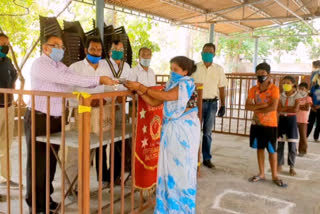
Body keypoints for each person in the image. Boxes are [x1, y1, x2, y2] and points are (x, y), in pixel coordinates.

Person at [24, 34, 116, 213]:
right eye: (56, 45)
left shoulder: (60, 65)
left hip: (56, 119)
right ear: (46, 48)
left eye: (61, 46)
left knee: (50, 162)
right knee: (37, 163)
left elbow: (73, 76)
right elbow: (69, 80)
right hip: (39, 117)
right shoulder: (40, 64)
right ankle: (35, 205)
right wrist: (99, 80)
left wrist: (99, 85)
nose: (60, 49)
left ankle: (46, 199)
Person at [125, 56, 200, 213]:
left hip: (183, 133)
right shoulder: (172, 84)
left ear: (185, 71)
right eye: (171, 69)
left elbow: (166, 97)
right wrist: (139, 90)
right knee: (169, 170)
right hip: (171, 131)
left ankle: (181, 208)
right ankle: (167, 207)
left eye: (176, 70)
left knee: (181, 171)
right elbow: (154, 102)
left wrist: (141, 86)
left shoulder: (187, 83)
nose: (172, 72)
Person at [66, 36, 111, 189]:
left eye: (99, 50)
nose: (96, 52)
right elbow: (68, 93)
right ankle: (72, 187)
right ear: (86, 50)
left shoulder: (105, 68)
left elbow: (110, 90)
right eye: (93, 49)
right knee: (76, 153)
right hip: (79, 115)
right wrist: (87, 101)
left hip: (98, 117)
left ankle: (86, 185)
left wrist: (105, 100)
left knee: (94, 151)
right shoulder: (75, 68)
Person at [95, 39, 132, 185]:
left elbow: (128, 84)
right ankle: (103, 176)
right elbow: (97, 82)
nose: (118, 51)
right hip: (104, 106)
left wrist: (126, 96)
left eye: (121, 49)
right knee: (102, 142)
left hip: (121, 106)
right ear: (110, 51)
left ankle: (115, 174)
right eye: (116, 49)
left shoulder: (127, 66)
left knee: (119, 140)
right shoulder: (102, 64)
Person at [245, 62, 287, 187]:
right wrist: (263, 105)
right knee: (259, 148)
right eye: (258, 73)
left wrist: (255, 108)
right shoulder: (253, 89)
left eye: (262, 73)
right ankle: (262, 173)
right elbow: (247, 106)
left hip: (270, 124)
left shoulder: (274, 89)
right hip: (257, 123)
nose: (260, 76)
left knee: (272, 150)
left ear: (268, 74)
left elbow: (273, 107)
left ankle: (275, 175)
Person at [191, 43, 227, 168]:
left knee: (207, 133)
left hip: (211, 104)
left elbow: (222, 87)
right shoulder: (194, 67)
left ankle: (206, 158)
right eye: (205, 51)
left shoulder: (219, 69)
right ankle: (193, 158)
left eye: (210, 52)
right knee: (194, 130)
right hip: (196, 103)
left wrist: (223, 105)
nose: (207, 54)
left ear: (214, 54)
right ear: (201, 53)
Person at [0, 33, 19, 189]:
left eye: (6, 43)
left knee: (6, 145)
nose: (5, 46)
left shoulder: (8, 62)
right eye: (2, 43)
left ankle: (5, 178)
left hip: (8, 107)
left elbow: (14, 77)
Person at [277, 76, 302, 176]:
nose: (285, 85)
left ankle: (292, 167)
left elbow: (295, 110)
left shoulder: (297, 95)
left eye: (288, 83)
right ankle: (279, 164)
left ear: (293, 84)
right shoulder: (280, 95)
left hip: (292, 121)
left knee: (292, 145)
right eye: (284, 83)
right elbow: (279, 108)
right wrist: (288, 108)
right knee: (280, 144)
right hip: (282, 120)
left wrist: (284, 108)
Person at [297, 82, 312, 156]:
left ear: (306, 90)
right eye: (300, 89)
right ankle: (293, 150)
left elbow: (307, 108)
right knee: (292, 136)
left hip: (303, 120)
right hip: (294, 118)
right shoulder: (296, 97)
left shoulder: (308, 98)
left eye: (303, 89)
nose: (301, 90)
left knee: (303, 136)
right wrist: (300, 106)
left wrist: (298, 107)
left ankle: (302, 151)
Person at [307, 76, 320, 142]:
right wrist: (312, 106)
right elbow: (310, 97)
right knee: (310, 122)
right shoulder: (313, 88)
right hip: (313, 107)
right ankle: (305, 136)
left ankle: (316, 137)